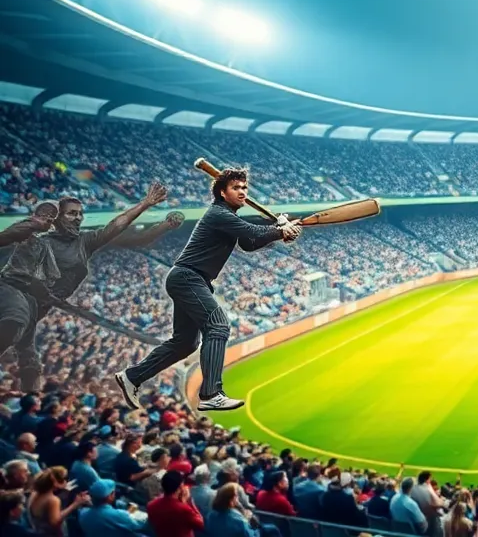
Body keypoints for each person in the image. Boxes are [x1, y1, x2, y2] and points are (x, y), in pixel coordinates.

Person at [116, 168, 301, 412]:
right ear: (222, 192)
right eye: (236, 187)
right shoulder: (218, 213)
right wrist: (280, 229)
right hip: (188, 277)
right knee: (218, 326)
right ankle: (211, 393)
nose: (243, 191)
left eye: (245, 188)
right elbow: (253, 233)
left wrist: (277, 231)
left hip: (192, 280)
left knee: (185, 343)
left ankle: (132, 376)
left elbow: (249, 243)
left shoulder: (228, 217)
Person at [0, 190, 177, 390]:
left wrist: (144, 204)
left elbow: (116, 225)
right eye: (71, 213)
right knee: (16, 322)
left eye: (80, 214)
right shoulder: (38, 240)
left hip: (41, 304)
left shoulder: (85, 242)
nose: (78, 218)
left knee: (28, 358)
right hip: (15, 293)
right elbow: (14, 271)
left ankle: (29, 393)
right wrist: (35, 225)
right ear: (57, 218)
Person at [147, 470, 206, 537]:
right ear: (180, 487)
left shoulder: (151, 505)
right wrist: (189, 502)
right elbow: (201, 525)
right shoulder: (184, 509)